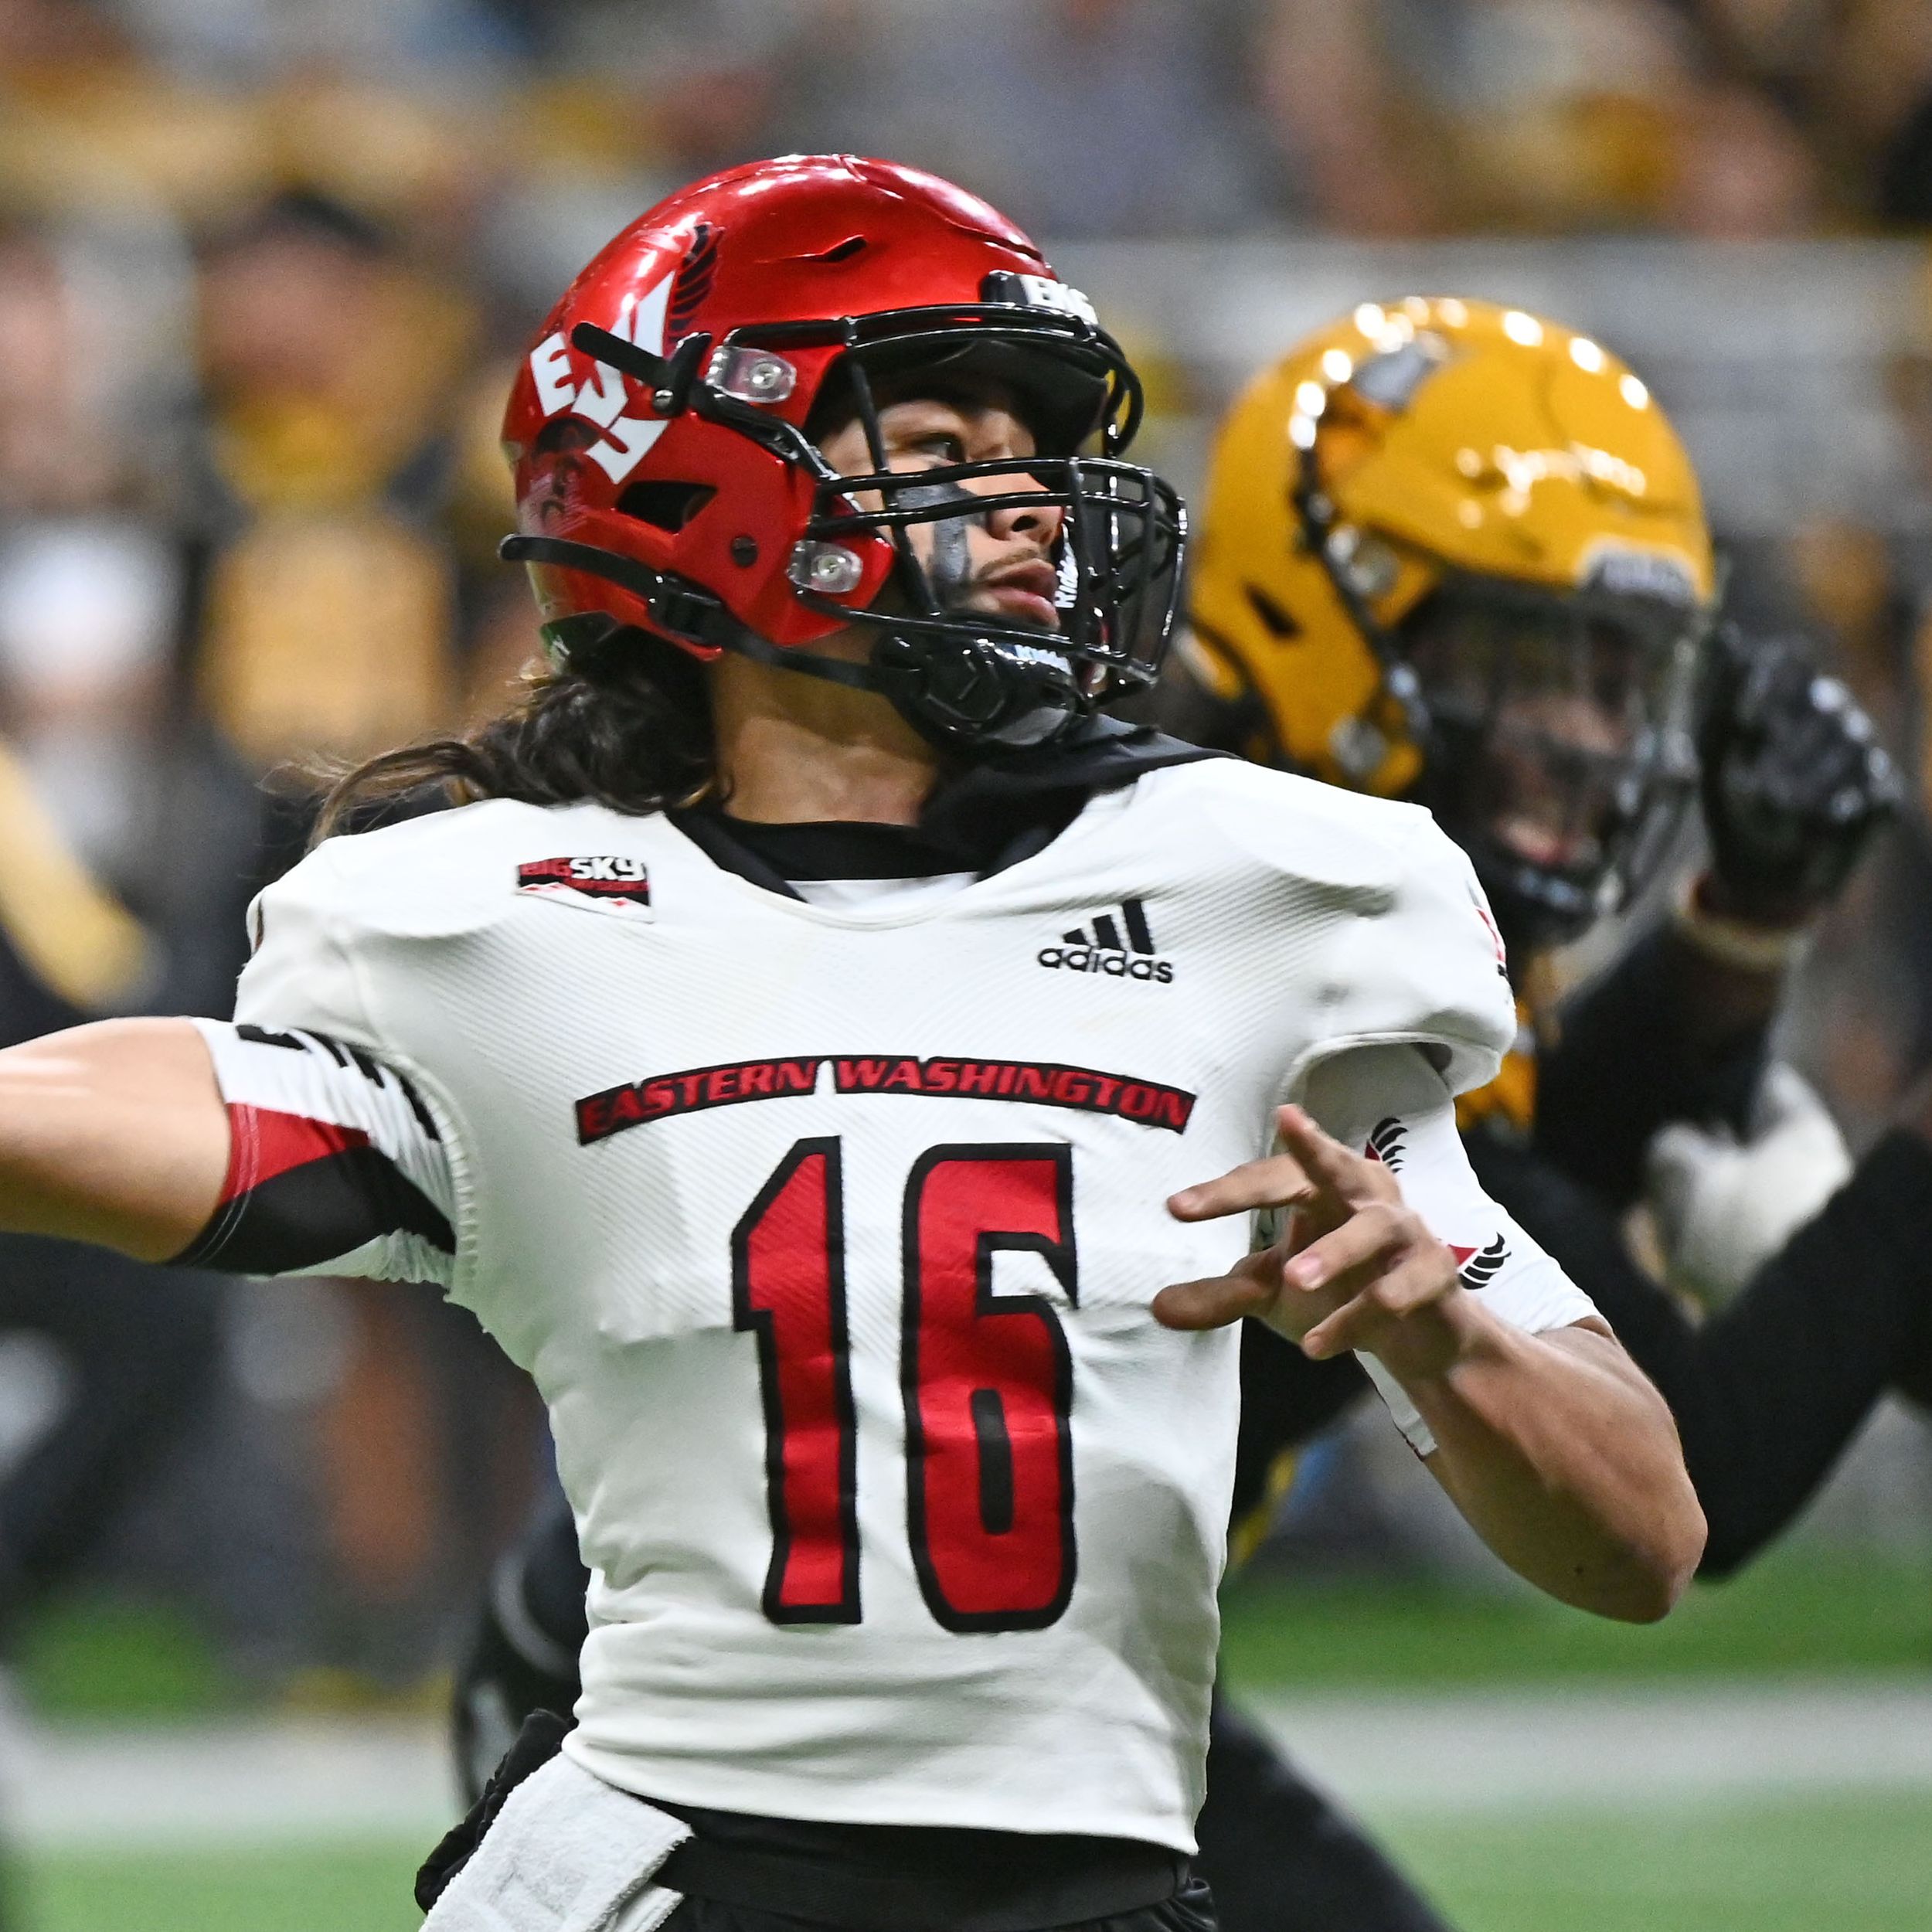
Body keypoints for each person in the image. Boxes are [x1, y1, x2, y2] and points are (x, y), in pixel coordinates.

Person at [0, 171, 1703, 1932]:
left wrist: (1439, 1331)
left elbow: (1641, 1535)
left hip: (1104, 1888)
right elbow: (202, 1108)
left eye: (1032, 442)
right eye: (945, 434)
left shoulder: (1260, 890)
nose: (1032, 496)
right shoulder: (507, 918)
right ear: (702, 475)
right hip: (683, 1875)